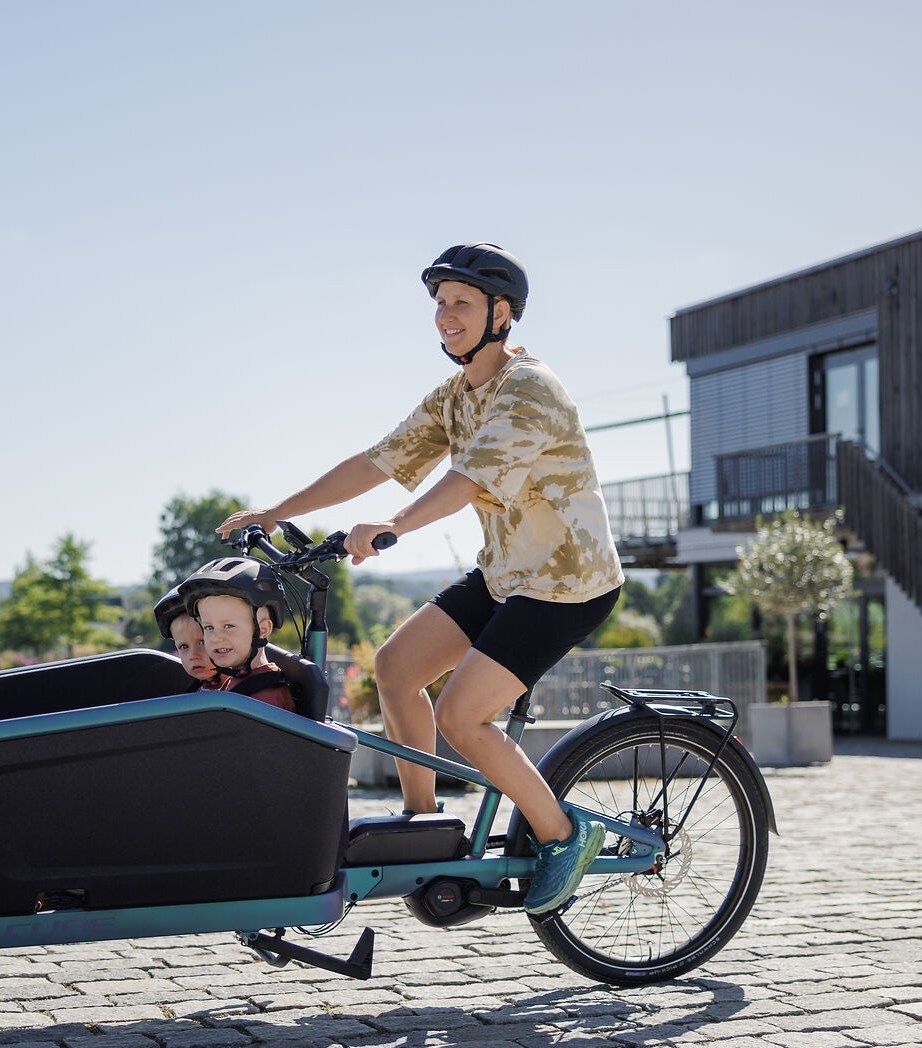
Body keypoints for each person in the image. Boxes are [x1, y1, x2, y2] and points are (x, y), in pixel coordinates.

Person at [218, 243, 626, 915]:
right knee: (396, 666)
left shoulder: (530, 389)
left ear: (501, 313)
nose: (445, 316)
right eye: (439, 304)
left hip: (565, 581)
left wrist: (395, 525)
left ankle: (564, 833)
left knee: (463, 715)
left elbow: (466, 480)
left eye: (461, 302)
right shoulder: (455, 396)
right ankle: (425, 826)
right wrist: (275, 511)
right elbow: (378, 460)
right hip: (505, 574)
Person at [177, 557, 297, 714]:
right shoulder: (238, 681)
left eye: (228, 626)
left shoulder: (264, 699)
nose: (216, 637)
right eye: (209, 627)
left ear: (262, 629)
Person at [154, 590, 220, 688]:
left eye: (202, 642)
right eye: (184, 646)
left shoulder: (242, 691)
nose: (193, 655)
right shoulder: (192, 691)